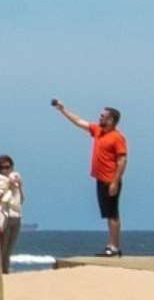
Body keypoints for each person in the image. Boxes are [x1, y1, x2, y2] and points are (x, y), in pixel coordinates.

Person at [51, 98, 128, 256]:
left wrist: (115, 182)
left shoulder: (117, 137)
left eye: (103, 116)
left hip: (110, 179)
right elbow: (79, 121)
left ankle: (114, 247)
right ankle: (111, 245)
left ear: (111, 119)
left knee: (113, 213)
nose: (99, 118)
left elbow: (122, 160)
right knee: (108, 213)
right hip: (101, 179)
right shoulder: (98, 131)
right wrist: (63, 109)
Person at [0, 154, 25, 272]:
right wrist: (9, 185)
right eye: (3, 167)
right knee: (2, 247)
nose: (6, 170)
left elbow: (21, 200)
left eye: (9, 167)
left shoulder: (16, 179)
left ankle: (5, 271)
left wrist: (19, 187)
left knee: (9, 248)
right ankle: (0, 272)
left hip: (16, 216)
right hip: (4, 216)